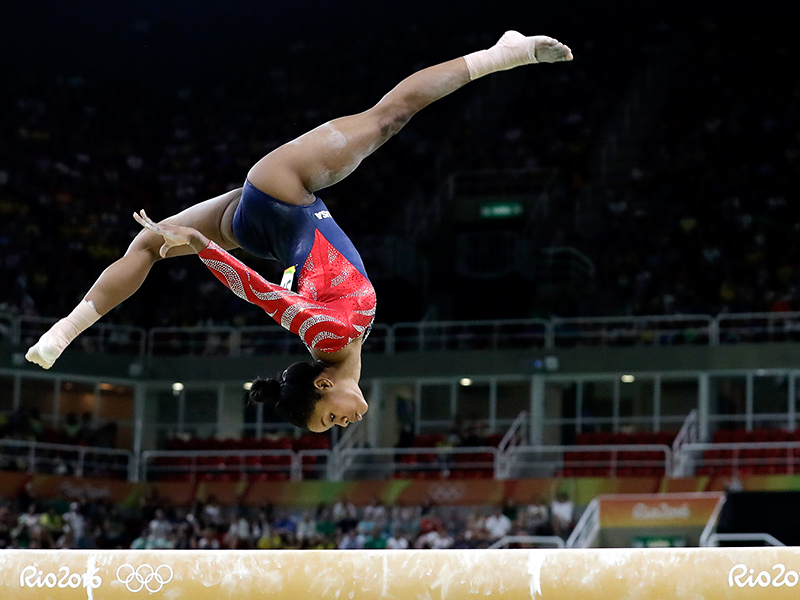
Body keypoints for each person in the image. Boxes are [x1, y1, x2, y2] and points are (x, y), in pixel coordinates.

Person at [26, 32, 573, 431]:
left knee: (388, 117)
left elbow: (263, 296)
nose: (342, 424)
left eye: (328, 419)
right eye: (332, 428)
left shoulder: (328, 340)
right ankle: (62, 334)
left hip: (281, 191)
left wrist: (205, 250)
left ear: (323, 385)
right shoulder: (345, 346)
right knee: (147, 244)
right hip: (262, 229)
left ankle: (504, 53)